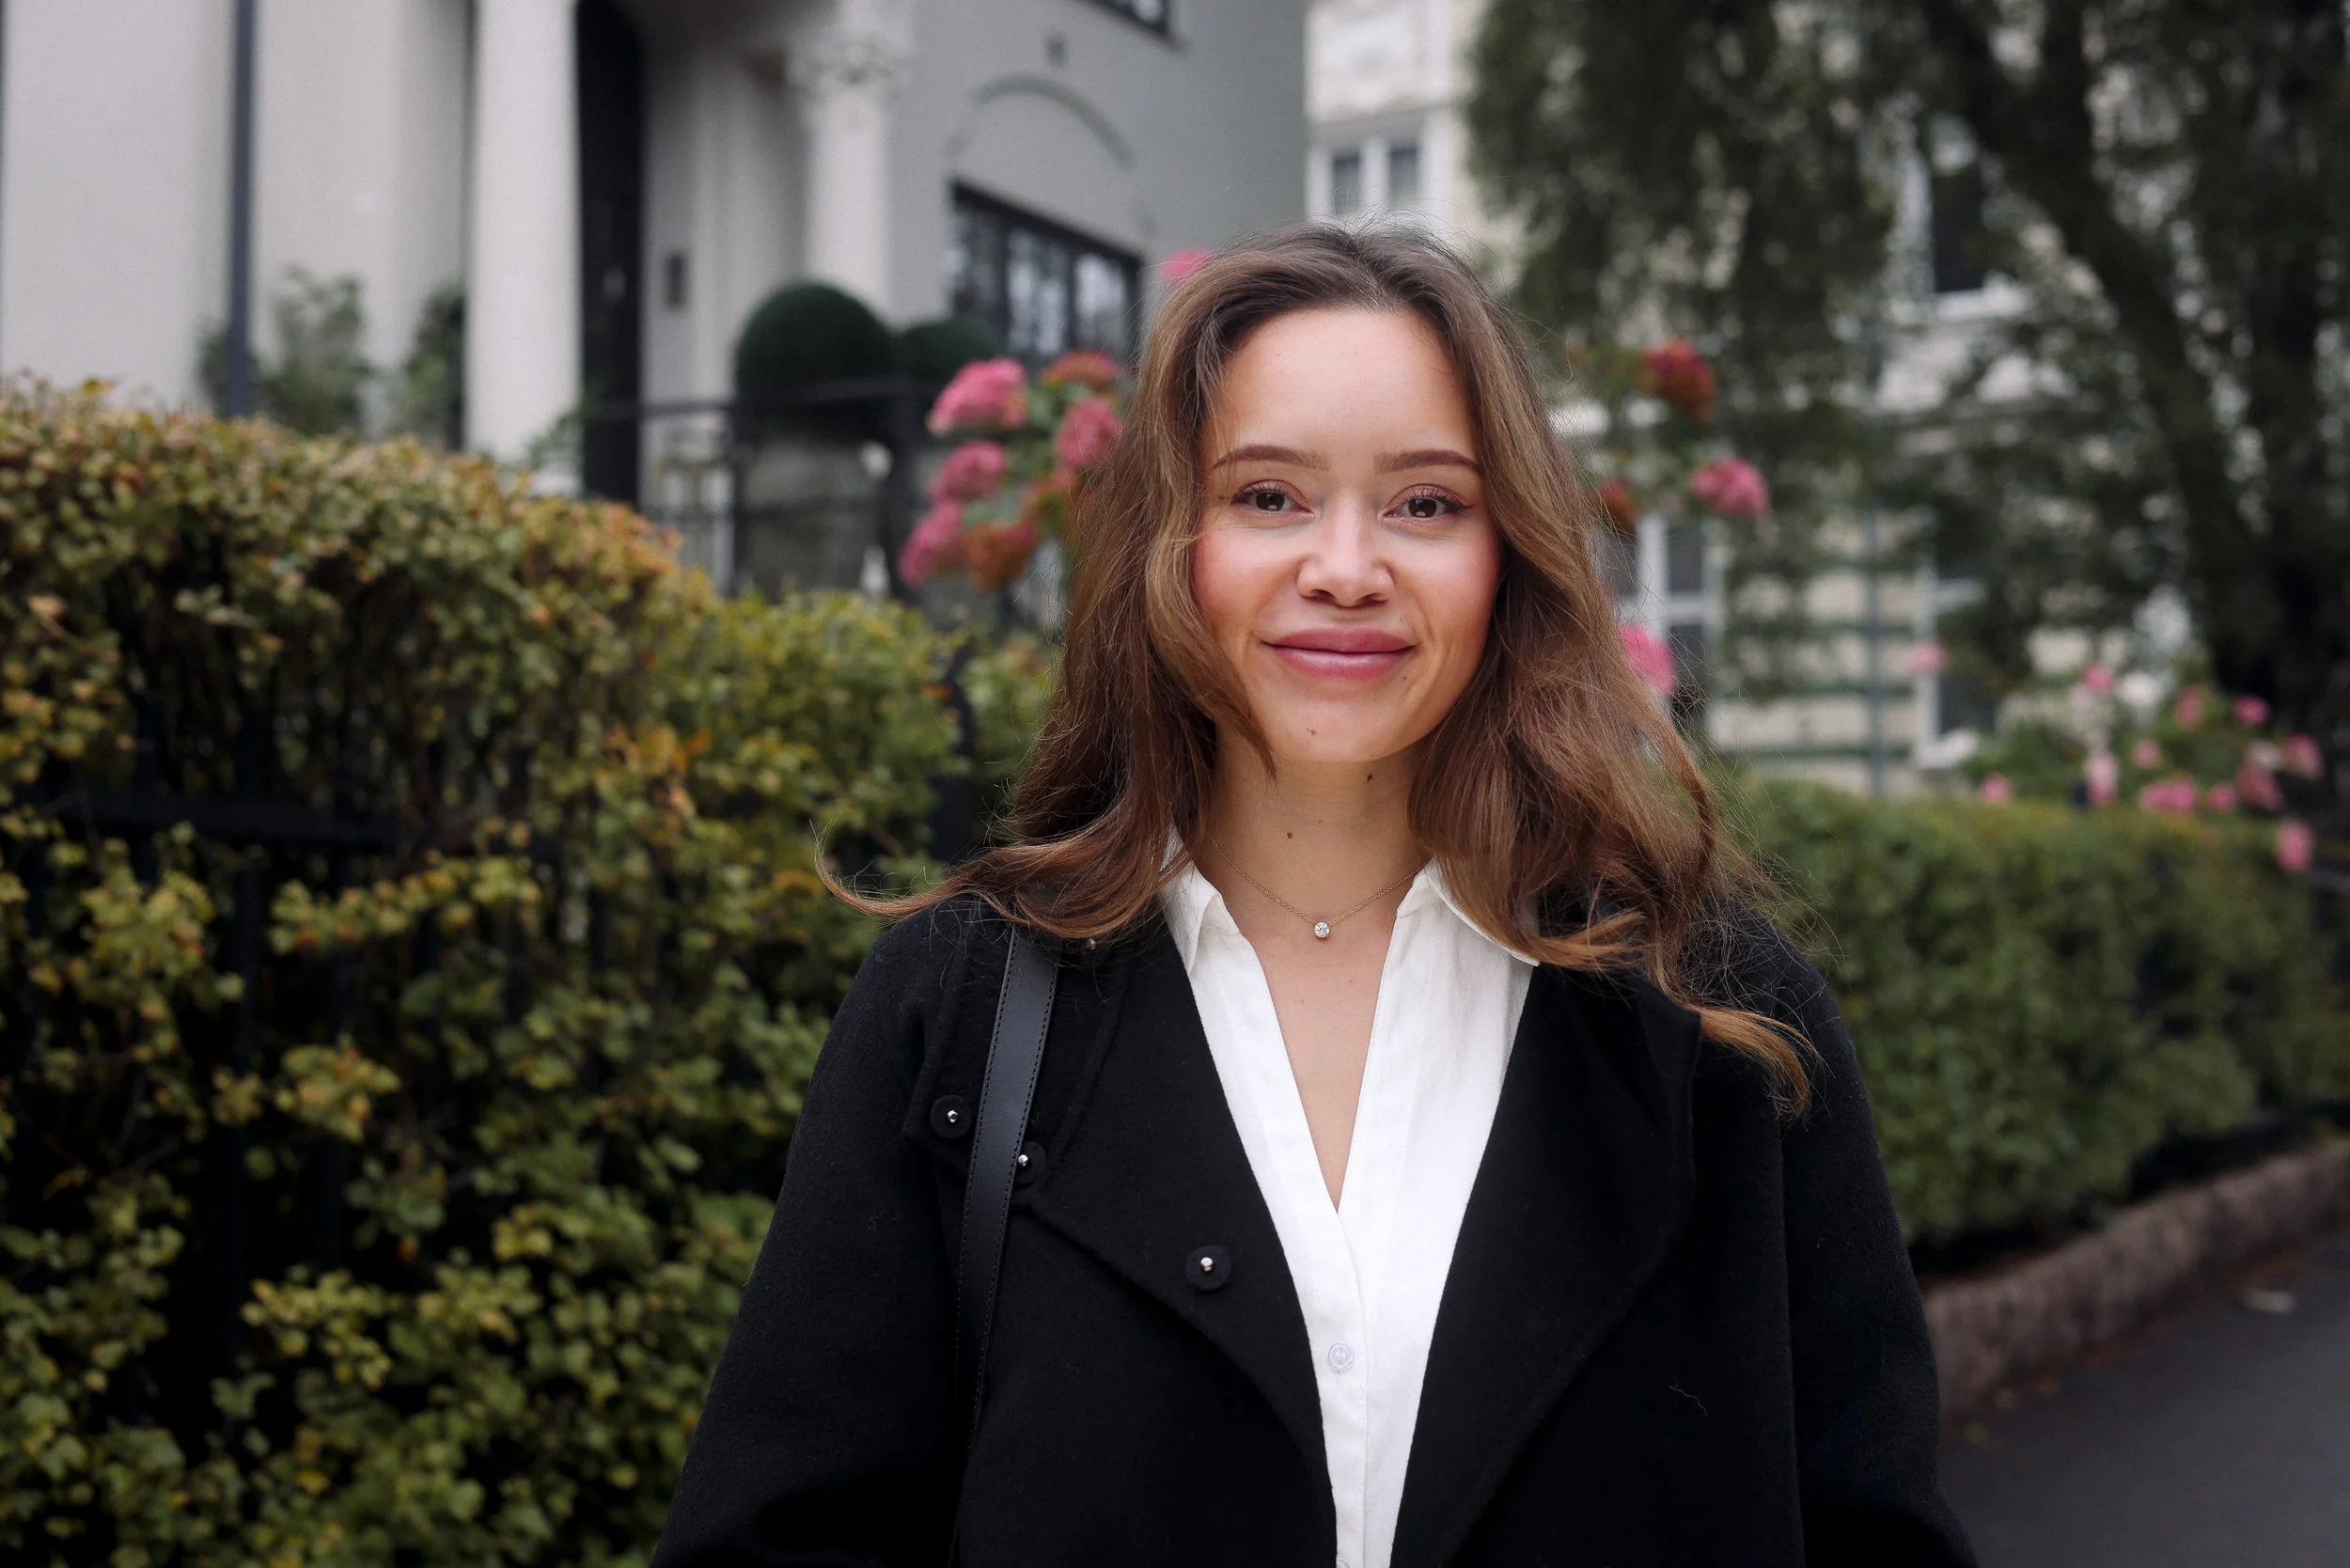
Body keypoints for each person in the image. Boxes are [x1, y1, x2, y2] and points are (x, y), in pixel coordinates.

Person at [651, 226, 1975, 1568]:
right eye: (1270, 496)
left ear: (1509, 555)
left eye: (1426, 504)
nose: (1347, 567)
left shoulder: (1718, 1021)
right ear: (1175, 544)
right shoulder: (966, 1010)